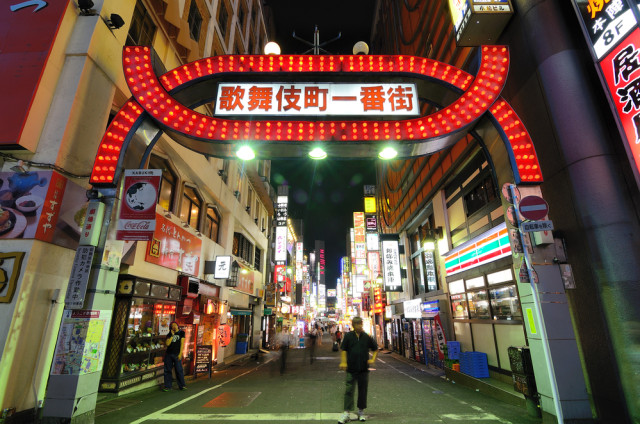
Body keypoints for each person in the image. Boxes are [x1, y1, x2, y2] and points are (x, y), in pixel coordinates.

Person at [338, 317, 378, 423]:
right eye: (357, 324)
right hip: (351, 369)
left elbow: (375, 348)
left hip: (363, 370)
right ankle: (346, 413)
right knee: (349, 390)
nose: (359, 326)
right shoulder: (348, 336)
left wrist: (372, 359)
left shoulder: (366, 337)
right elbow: (344, 350)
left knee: (362, 391)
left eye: (360, 324)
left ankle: (361, 412)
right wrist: (343, 362)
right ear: (353, 326)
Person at [163, 322, 186, 391]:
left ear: (178, 326)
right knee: (167, 370)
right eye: (172, 326)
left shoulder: (181, 333)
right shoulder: (169, 334)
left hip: (176, 354)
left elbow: (182, 344)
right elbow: (167, 344)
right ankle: (168, 386)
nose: (174, 326)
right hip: (169, 354)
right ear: (171, 328)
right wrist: (172, 335)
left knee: (179, 370)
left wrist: (180, 354)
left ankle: (182, 385)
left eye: (175, 325)